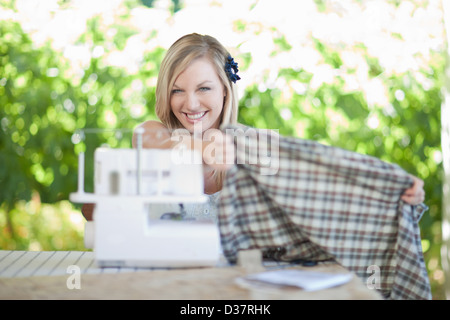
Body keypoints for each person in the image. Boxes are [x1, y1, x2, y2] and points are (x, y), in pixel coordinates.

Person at [81, 32, 425, 219]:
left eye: (204, 88)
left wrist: (392, 187)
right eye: (177, 91)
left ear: (225, 90)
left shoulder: (251, 146)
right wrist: (199, 147)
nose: (191, 104)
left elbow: (323, 175)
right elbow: (92, 209)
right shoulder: (154, 134)